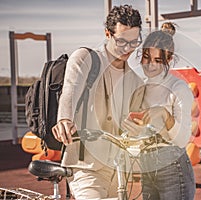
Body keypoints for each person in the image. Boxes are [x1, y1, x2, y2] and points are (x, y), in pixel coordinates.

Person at [51, 5, 144, 199]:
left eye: (134, 42)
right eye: (122, 41)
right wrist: (64, 120)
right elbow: (70, 90)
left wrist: (139, 128)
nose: (128, 48)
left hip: (118, 171)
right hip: (85, 167)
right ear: (108, 34)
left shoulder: (135, 80)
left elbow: (137, 123)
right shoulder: (85, 59)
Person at [122, 22, 196, 200]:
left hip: (173, 167)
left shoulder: (178, 88)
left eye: (158, 60)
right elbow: (142, 132)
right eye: (146, 57)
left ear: (169, 60)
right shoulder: (141, 88)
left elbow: (181, 140)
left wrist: (164, 115)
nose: (150, 65)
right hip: (146, 166)